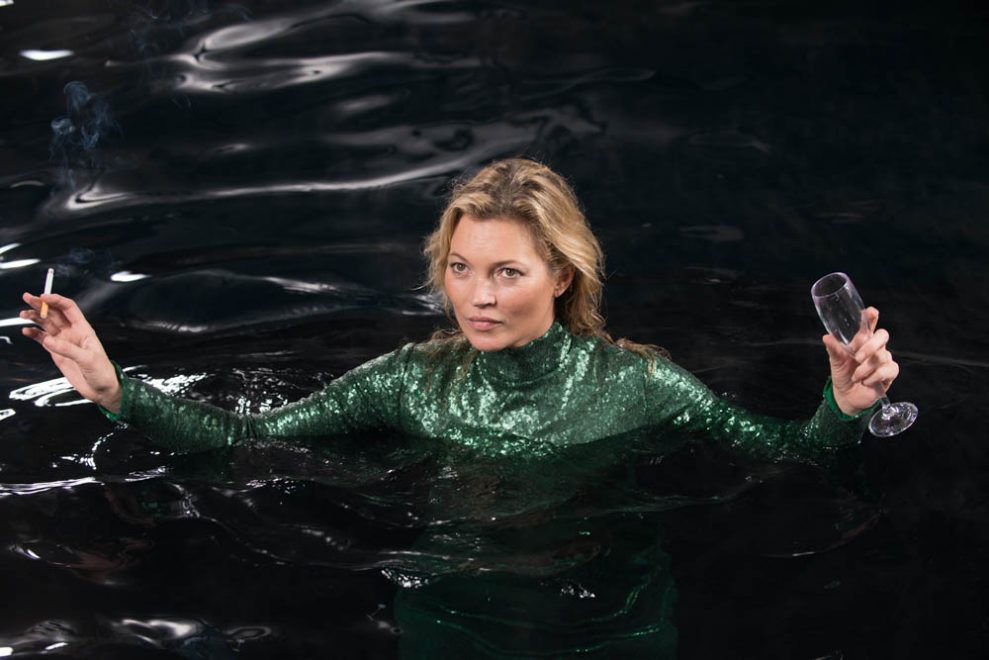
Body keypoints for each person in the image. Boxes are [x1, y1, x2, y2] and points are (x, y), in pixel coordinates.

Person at [19, 158, 901, 461]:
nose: (477, 296)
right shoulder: (408, 382)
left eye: (506, 272)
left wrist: (841, 408)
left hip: (604, 616)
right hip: (454, 614)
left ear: (562, 276)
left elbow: (783, 454)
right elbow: (251, 441)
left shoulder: (639, 383)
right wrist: (113, 388)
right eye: (459, 268)